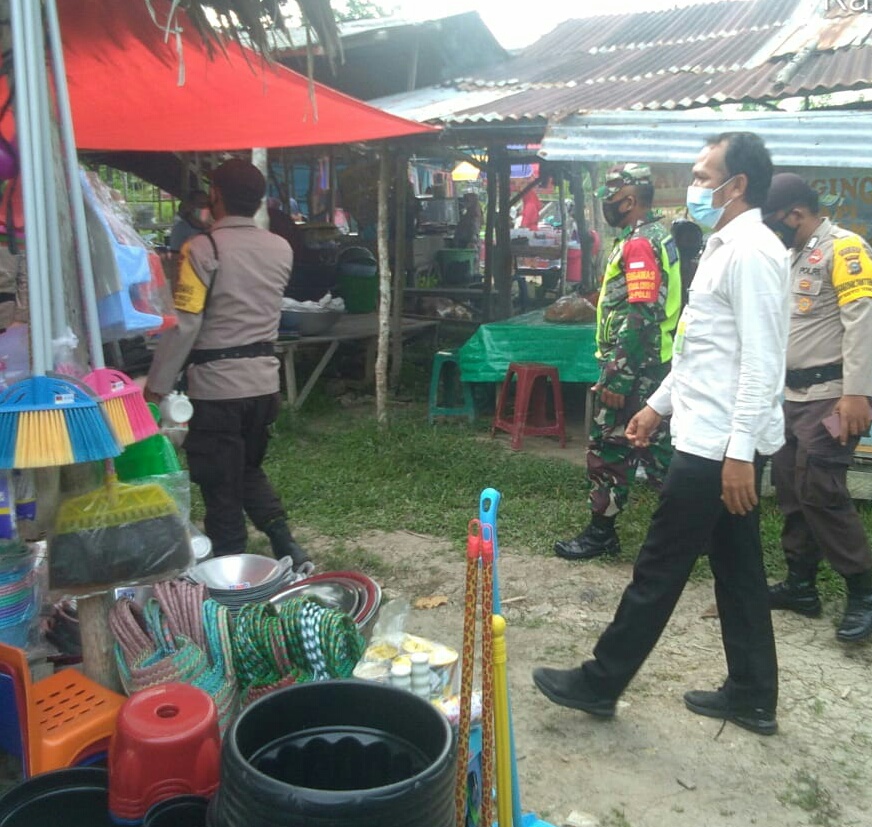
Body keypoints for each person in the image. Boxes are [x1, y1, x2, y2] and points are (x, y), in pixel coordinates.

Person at [534, 132, 790, 736]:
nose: (694, 185)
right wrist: (656, 406)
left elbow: (759, 362)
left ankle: (600, 682)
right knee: (739, 570)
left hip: (715, 448)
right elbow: (702, 353)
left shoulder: (752, 251)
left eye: (704, 176)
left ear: (738, 185)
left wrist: (738, 456)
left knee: (658, 567)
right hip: (707, 431)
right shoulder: (726, 247)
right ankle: (753, 693)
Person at [145, 159, 312, 573]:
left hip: (217, 390)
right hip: (263, 386)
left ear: (215, 195)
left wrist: (157, 385)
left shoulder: (202, 249)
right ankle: (287, 545)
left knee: (220, 487)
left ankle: (232, 577)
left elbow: (186, 325)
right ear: (258, 199)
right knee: (248, 469)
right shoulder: (280, 248)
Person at [762, 173, 872, 643]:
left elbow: (862, 320)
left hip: (831, 395)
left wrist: (858, 393)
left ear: (796, 215)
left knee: (820, 488)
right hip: (788, 397)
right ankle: (801, 584)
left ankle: (864, 592)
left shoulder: (845, 249)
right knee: (790, 486)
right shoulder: (789, 254)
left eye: (774, 221)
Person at [554, 163, 681, 561]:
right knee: (661, 455)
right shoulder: (657, 236)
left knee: (609, 449)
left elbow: (641, 313)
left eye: (610, 195)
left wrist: (617, 376)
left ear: (629, 199)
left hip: (637, 368)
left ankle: (601, 534)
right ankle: (694, 534)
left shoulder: (641, 243)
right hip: (653, 366)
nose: (606, 203)